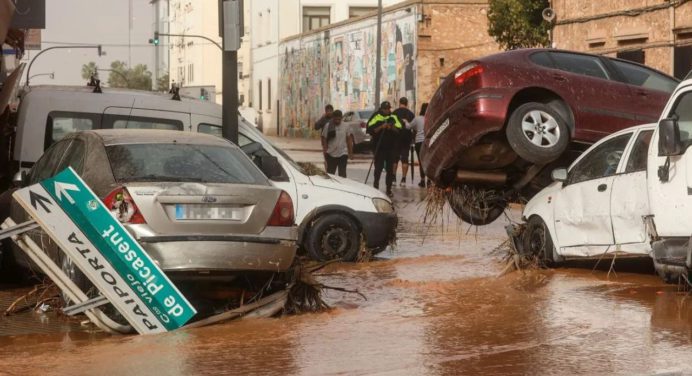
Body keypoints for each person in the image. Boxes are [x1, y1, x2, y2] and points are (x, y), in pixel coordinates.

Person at [367, 101, 402, 197]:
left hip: (391, 148)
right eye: (385, 109)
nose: (388, 110)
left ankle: (388, 189)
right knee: (378, 168)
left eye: (389, 109)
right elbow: (369, 130)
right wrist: (381, 127)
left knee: (390, 170)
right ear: (381, 109)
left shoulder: (393, 117)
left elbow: (400, 130)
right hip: (379, 147)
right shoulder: (376, 116)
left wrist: (391, 127)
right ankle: (375, 187)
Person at [320, 110, 353, 178]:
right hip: (331, 154)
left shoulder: (346, 126)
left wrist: (350, 152)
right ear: (333, 118)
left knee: (342, 175)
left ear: (341, 118)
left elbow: (349, 139)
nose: (337, 121)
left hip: (343, 154)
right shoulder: (328, 126)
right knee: (330, 175)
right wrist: (325, 152)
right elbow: (324, 139)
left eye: (339, 119)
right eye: (336, 119)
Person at [392, 97, 415, 186]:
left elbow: (391, 125)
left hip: (395, 139)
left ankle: (393, 178)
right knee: (405, 159)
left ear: (399, 103)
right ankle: (404, 179)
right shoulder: (411, 114)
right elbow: (413, 128)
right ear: (407, 103)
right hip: (406, 139)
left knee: (395, 159)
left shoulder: (394, 113)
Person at [407, 103, 429, 187]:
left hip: (419, 142)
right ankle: (430, 181)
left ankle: (422, 180)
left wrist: (405, 121)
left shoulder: (417, 119)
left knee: (421, 162)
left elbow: (408, 127)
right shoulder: (431, 118)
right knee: (429, 161)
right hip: (429, 142)